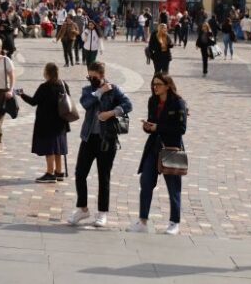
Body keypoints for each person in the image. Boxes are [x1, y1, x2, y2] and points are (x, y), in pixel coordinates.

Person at [67, 61, 133, 228]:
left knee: (104, 176)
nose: (91, 79)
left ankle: (102, 213)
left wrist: (111, 113)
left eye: (94, 77)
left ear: (102, 76)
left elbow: (128, 105)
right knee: (80, 173)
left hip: (107, 139)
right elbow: (85, 103)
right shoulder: (88, 90)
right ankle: (82, 209)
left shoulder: (114, 89)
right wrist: (98, 92)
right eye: (89, 76)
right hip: (89, 137)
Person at [128, 72, 187, 235]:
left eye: (158, 84)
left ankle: (174, 222)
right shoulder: (152, 101)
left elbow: (181, 129)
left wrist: (157, 128)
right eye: (153, 84)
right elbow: (152, 122)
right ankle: (143, 221)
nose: (155, 87)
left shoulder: (178, 103)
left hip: (171, 149)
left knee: (173, 187)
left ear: (167, 86)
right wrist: (147, 127)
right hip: (153, 148)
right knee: (145, 182)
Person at [19, 62, 70, 183]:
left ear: (46, 73)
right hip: (61, 122)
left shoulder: (45, 87)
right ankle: (59, 172)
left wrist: (21, 94)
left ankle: (50, 173)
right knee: (58, 148)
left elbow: (33, 102)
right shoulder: (63, 84)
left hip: (47, 123)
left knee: (50, 149)